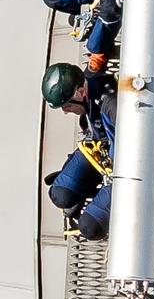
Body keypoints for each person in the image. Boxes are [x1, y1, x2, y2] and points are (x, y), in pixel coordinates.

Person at [42, 62, 115, 237]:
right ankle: (86, 189)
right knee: (60, 194)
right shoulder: (85, 82)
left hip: (127, 166)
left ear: (80, 92)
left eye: (67, 106)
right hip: (99, 150)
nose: (66, 112)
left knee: (90, 227)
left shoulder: (111, 104)